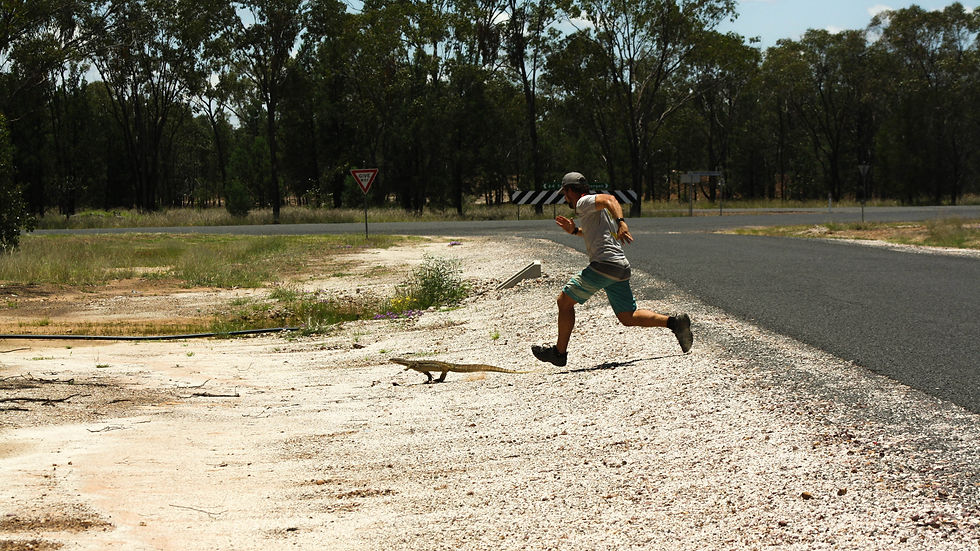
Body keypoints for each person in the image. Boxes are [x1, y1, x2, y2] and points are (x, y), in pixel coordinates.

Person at [531, 172, 693, 367]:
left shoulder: (584, 202)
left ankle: (559, 353)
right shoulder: (594, 209)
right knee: (628, 316)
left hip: (604, 266)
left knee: (564, 301)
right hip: (619, 267)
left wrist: (622, 222)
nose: (565, 199)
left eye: (565, 194)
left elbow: (610, 199)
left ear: (570, 190)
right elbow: (598, 233)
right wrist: (574, 231)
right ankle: (675, 323)